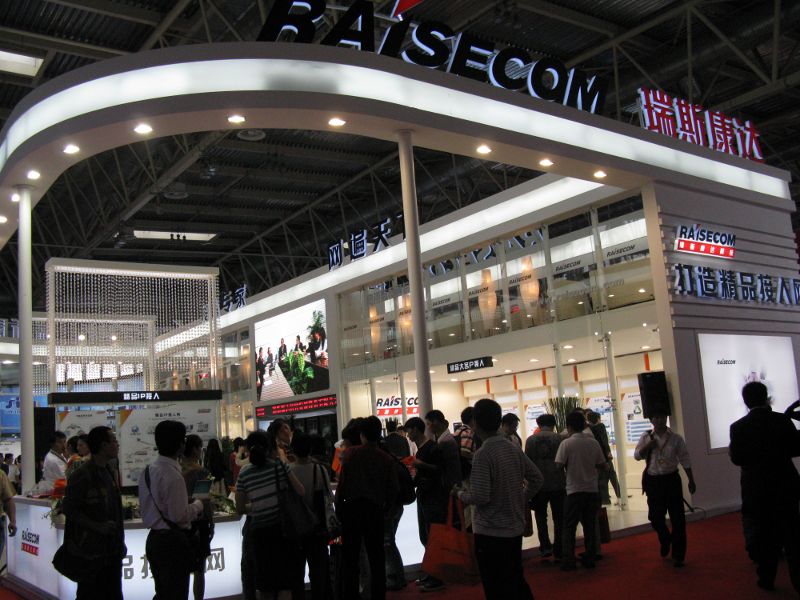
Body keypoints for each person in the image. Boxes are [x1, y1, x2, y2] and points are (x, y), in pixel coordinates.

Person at [455, 399, 542, 600]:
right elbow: (537, 478)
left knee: (495, 585)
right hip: (514, 527)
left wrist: (459, 494)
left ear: (475, 422)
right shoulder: (512, 448)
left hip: (490, 531)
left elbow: (480, 496)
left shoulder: (483, 454)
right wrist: (521, 498)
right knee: (515, 579)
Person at [730, 382, 800, 592]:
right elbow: (796, 448)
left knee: (764, 535)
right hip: (785, 485)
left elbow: (737, 458)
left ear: (745, 401)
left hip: (756, 489)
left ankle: (767, 578)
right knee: (792, 536)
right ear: (766, 397)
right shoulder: (782, 421)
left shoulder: (738, 427)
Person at [139, 420, 205, 600]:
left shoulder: (147, 471)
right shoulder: (173, 476)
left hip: (154, 540)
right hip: (173, 543)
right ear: (180, 445)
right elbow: (179, 516)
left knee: (163, 592)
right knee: (176, 594)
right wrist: (199, 504)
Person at [235, 431, 305, 600]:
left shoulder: (244, 473)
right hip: (282, 531)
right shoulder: (280, 466)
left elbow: (239, 508)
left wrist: (258, 505)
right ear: (268, 448)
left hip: (259, 535)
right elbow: (300, 491)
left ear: (248, 450)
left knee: (265, 585)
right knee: (285, 583)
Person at [337, 415, 399, 600]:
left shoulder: (350, 454)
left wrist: (339, 508)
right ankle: (378, 595)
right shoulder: (386, 458)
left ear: (362, 434)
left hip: (351, 511)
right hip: (375, 511)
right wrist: (386, 509)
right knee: (376, 557)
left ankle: (350, 595)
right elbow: (393, 489)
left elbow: (342, 485)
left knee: (351, 558)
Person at [61, 426, 124, 600]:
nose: (117, 444)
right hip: (91, 554)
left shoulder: (108, 470)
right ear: (103, 445)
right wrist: (97, 526)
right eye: (113, 441)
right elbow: (69, 509)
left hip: (111, 551)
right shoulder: (82, 475)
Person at [634, 411, 696, 567]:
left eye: (662, 417)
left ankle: (678, 555)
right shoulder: (646, 437)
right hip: (653, 481)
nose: (660, 420)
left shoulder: (675, 438)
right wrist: (648, 446)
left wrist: (691, 479)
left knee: (678, 519)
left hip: (671, 480)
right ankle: (665, 539)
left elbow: (685, 458)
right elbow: (637, 455)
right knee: (655, 517)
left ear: (666, 418)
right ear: (651, 420)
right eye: (656, 417)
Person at [555, 410, 607, 570]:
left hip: (573, 490)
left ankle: (568, 560)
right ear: (584, 425)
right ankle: (590, 557)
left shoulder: (566, 443)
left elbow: (558, 465)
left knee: (569, 526)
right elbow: (601, 464)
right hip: (591, 489)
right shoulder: (593, 442)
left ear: (569, 427)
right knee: (590, 525)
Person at [291, 431, 334, 600]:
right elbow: (329, 498)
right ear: (310, 449)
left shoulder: (288, 472)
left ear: (292, 450)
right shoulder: (320, 470)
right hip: (317, 528)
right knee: (319, 573)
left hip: (295, 529)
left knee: (296, 574)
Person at [525, 413, 566, 559]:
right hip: (557, 482)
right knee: (559, 517)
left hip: (538, 485)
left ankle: (545, 547)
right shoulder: (559, 439)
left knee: (540, 516)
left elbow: (527, 463)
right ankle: (559, 548)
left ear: (538, 424)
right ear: (553, 424)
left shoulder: (530, 440)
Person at [182, 435, 214, 600]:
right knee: (199, 569)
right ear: (195, 449)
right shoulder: (201, 471)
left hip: (180, 524)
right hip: (199, 523)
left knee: (182, 570)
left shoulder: (176, 470)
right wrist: (211, 522)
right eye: (200, 447)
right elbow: (204, 499)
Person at [586, 411, 621, 505]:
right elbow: (604, 441)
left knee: (602, 478)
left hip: (596, 456)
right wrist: (608, 452)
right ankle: (619, 495)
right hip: (604, 456)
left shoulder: (589, 429)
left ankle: (605, 498)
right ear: (598, 419)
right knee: (611, 475)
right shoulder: (601, 426)